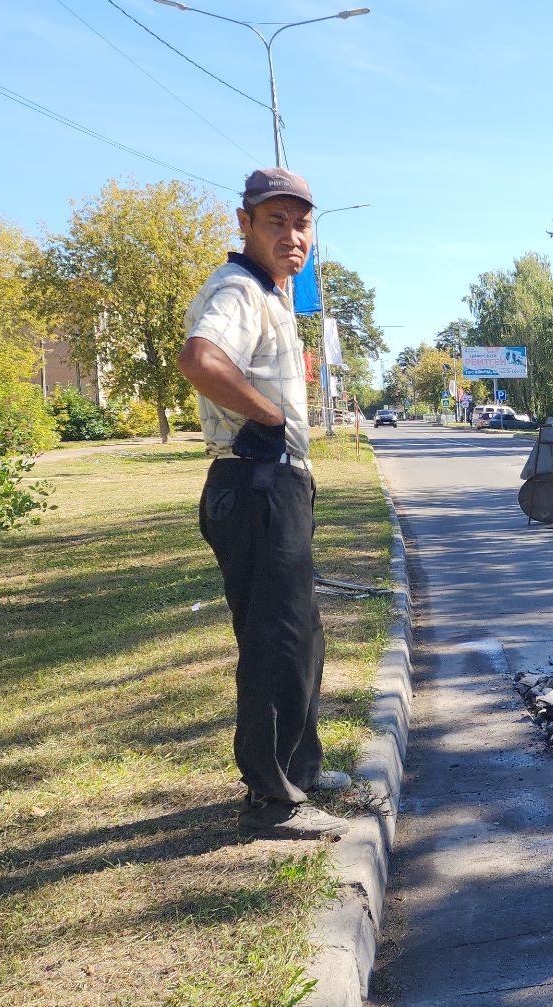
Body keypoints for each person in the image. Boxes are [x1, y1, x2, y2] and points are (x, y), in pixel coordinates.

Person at [175, 167, 350, 839]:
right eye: (275, 222)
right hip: (255, 484)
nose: (292, 236)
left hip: (275, 484)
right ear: (245, 223)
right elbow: (200, 359)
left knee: (300, 633)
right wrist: (269, 418)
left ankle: (300, 769)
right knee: (276, 640)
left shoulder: (272, 294)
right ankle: (272, 801)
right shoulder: (238, 288)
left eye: (302, 225)